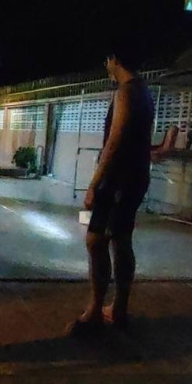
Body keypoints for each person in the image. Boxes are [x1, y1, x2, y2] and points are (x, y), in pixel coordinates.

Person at [71, 51, 155, 334]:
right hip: (135, 178)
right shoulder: (143, 91)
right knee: (121, 240)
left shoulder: (126, 92)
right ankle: (118, 308)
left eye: (107, 60)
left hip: (118, 180)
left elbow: (114, 141)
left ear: (115, 59)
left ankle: (95, 311)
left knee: (96, 241)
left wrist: (94, 183)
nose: (106, 66)